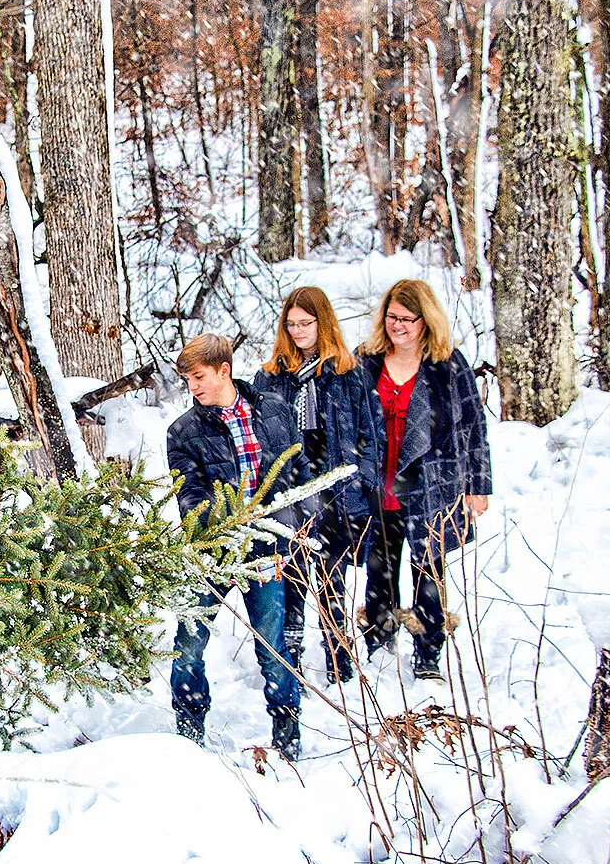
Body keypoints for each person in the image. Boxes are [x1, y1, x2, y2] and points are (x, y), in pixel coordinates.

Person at [165, 333, 310, 759]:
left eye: (199, 377)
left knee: (272, 645)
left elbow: (298, 469)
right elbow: (188, 495)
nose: (193, 387)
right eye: (188, 380)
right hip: (210, 551)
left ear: (224, 370)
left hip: (266, 549)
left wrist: (297, 520)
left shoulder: (274, 411)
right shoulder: (183, 432)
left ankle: (287, 734)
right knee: (188, 642)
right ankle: (189, 730)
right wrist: (224, 520)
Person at [357, 280, 492, 681]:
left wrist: (478, 484)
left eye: (406, 319)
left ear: (425, 319)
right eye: (391, 317)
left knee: (428, 566)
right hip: (377, 481)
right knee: (379, 566)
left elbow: (473, 426)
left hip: (431, 481)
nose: (397, 326)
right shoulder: (365, 360)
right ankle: (378, 640)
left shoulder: (448, 364)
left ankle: (428, 649)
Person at [253, 286, 382, 685]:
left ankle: (339, 660)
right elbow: (259, 435)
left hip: (336, 489)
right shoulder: (271, 376)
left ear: (322, 323)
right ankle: (289, 659)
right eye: (290, 324)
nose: (297, 331)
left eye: (306, 323)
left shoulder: (349, 372)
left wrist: (363, 482)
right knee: (290, 579)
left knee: (333, 580)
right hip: (288, 489)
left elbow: (371, 434)